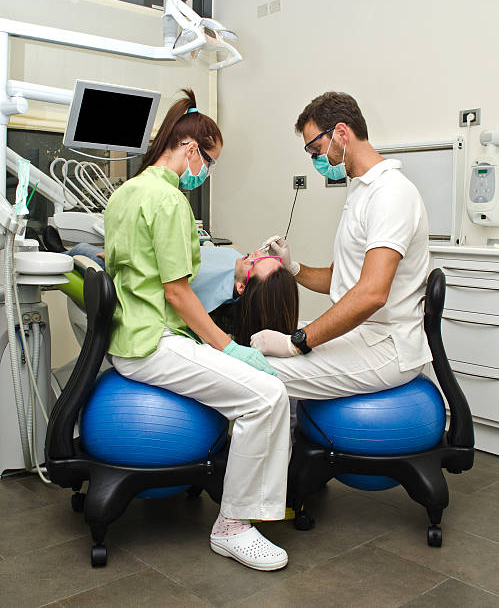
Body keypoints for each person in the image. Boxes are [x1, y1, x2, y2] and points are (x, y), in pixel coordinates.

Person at [104, 88, 291, 572]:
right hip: (152, 344)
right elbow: (179, 294)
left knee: (260, 392)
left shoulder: (125, 192)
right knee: (268, 395)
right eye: (208, 160)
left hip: (132, 338)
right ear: (190, 149)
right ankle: (233, 526)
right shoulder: (168, 201)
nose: (206, 171)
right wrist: (231, 347)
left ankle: (241, 516)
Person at [251, 91, 432, 402]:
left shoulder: (391, 194)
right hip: (363, 334)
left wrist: (297, 342)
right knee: (254, 348)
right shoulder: (361, 191)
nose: (316, 161)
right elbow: (343, 279)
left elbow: (372, 293)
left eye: (316, 149)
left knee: (253, 373)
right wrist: (292, 268)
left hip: (386, 346)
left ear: (342, 133)